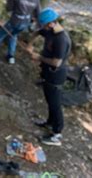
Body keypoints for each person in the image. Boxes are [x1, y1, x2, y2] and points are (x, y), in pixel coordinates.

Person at [27, 8, 71, 146]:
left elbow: (57, 62)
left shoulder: (61, 39)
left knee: (55, 104)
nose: (43, 28)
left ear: (51, 23)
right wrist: (30, 44)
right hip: (48, 73)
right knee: (49, 100)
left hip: (56, 75)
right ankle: (50, 123)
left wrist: (38, 57)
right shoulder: (50, 31)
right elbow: (38, 32)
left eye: (44, 25)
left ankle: (57, 134)